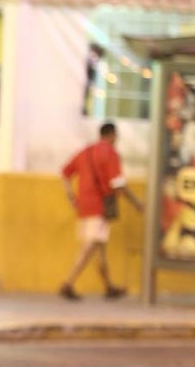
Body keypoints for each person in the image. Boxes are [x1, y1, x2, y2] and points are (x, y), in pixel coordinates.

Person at [58, 122, 142, 300]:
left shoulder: (85, 152)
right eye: (116, 136)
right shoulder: (110, 153)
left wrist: (71, 197)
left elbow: (65, 173)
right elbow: (118, 183)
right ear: (112, 135)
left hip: (83, 206)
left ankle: (109, 287)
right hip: (99, 207)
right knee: (90, 246)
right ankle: (68, 282)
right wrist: (135, 202)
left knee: (99, 248)